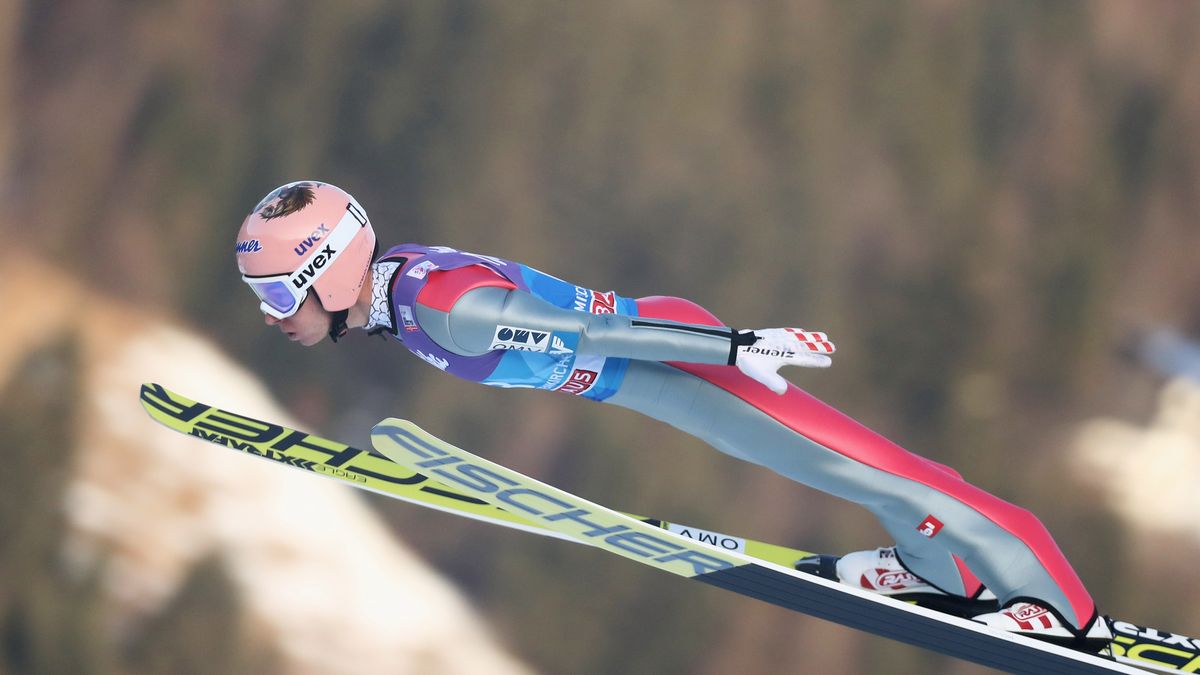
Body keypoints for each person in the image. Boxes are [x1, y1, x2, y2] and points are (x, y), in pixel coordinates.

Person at [235, 180, 1111, 649]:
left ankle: (1060, 605)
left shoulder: (439, 307)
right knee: (842, 472)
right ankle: (938, 570)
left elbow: (580, 327)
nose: (273, 314)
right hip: (661, 369)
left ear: (328, 271)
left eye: (276, 289)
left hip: (680, 361)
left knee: (878, 466)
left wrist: (728, 348)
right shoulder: (403, 295)